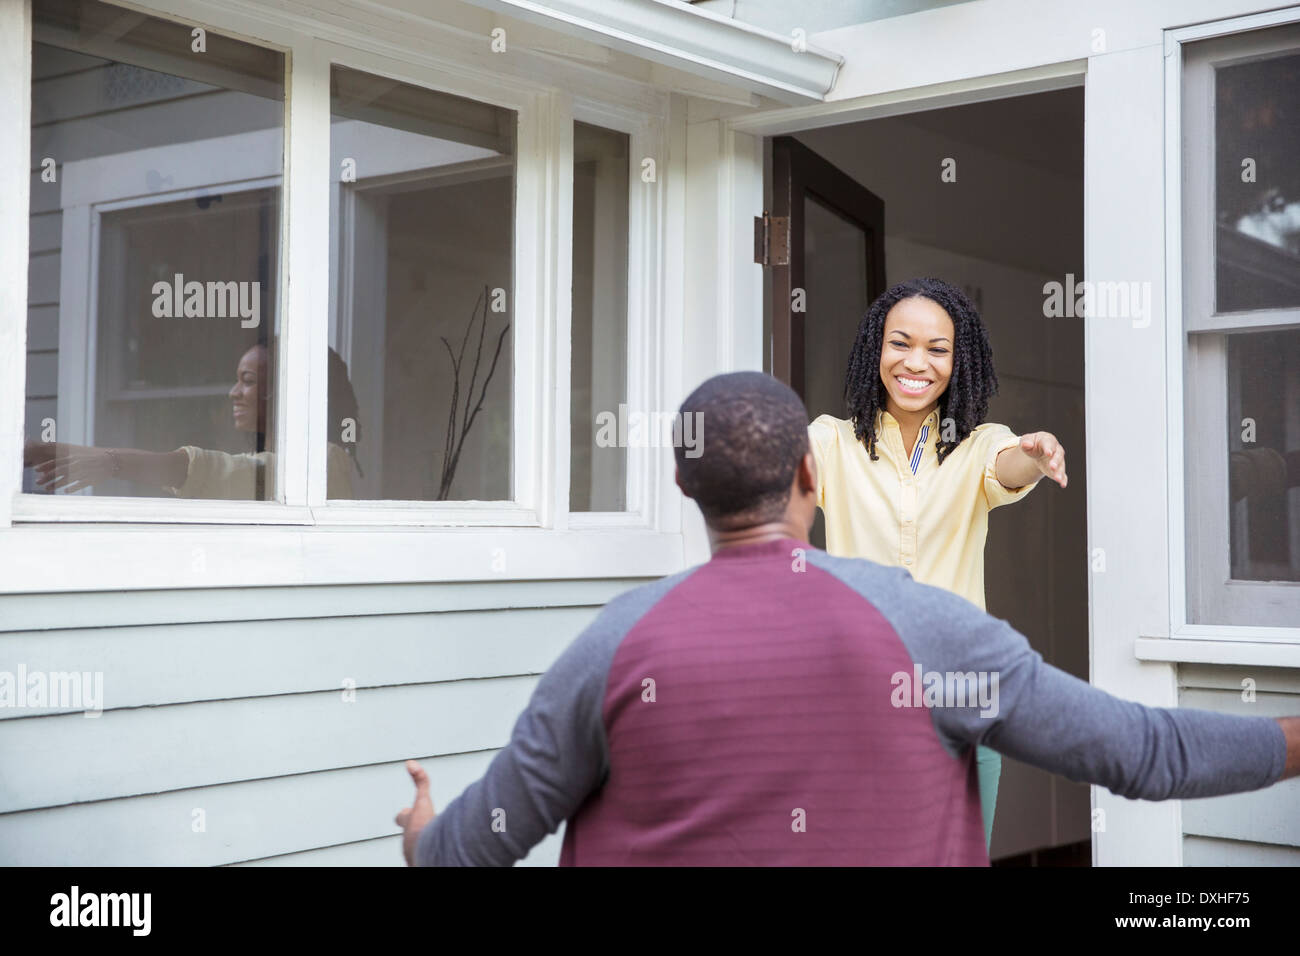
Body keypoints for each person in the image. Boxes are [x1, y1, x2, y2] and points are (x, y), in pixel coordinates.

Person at [395, 371, 1298, 866]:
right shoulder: (933, 635)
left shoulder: (611, 647)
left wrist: (422, 832)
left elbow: (470, 851)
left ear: (684, 488)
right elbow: (1143, 752)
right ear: (811, 478)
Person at [809, 276, 1067, 849]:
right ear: (875, 347)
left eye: (937, 349)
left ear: (959, 360)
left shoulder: (977, 444)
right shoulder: (831, 443)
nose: (915, 362)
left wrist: (1034, 454)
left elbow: (1007, 468)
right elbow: (781, 469)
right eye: (900, 343)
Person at [25, 342, 362, 500]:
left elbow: (205, 470)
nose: (234, 392)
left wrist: (108, 462)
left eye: (247, 380)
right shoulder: (276, 461)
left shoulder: (326, 462)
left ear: (287, 390)